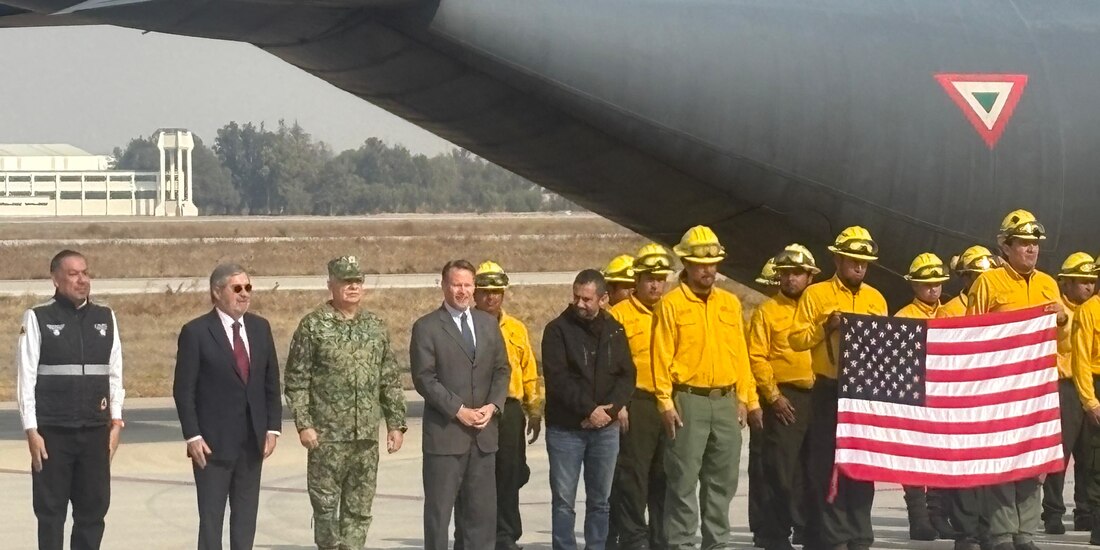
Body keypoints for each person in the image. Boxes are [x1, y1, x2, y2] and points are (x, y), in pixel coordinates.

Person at [284, 256, 408, 550]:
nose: (353, 287)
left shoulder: (375, 327)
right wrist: (304, 424)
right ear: (331, 284)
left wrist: (395, 424)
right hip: (326, 439)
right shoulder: (313, 326)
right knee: (326, 510)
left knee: (359, 510)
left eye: (357, 281)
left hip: (365, 439)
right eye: (345, 281)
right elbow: (296, 380)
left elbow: (389, 378)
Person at [652, 225, 763, 550]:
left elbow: (740, 354)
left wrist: (747, 398)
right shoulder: (671, 305)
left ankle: (716, 544)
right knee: (683, 481)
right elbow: (660, 356)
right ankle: (682, 545)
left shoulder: (729, 303)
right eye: (701, 264)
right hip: (688, 402)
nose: (708, 270)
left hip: (726, 402)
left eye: (713, 263)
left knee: (722, 484)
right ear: (686, 263)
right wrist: (665, 403)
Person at [967, 209, 1067, 550]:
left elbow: (1063, 343)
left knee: (1033, 462)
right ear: (1006, 247)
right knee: (1002, 462)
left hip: (1037, 389)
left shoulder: (1048, 284)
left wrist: (1064, 319)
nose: (1031, 248)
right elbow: (971, 335)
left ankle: (1025, 534)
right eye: (1023, 242)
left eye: (1034, 243)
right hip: (1000, 388)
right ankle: (1001, 535)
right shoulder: (988, 283)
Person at [16, 249, 124, 550]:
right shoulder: (38, 317)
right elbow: (26, 378)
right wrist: (31, 430)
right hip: (53, 434)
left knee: (93, 511)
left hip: (95, 432)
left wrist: (116, 422)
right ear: (55, 279)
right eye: (73, 274)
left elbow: (115, 373)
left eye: (85, 273)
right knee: (51, 514)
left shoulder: (105, 318)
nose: (82, 280)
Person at [790, 225, 888, 550]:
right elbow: (796, 339)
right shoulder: (816, 295)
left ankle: (860, 536)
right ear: (837, 260)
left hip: (863, 394)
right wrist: (824, 327)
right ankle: (833, 537)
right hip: (828, 390)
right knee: (827, 465)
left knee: (861, 465)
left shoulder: (876, 299)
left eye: (864, 262)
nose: (859, 267)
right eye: (853, 260)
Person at [172, 262, 283, 550]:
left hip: (251, 442)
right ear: (217, 292)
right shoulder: (196, 332)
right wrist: (193, 435)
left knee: (246, 520)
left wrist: (272, 428)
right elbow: (184, 390)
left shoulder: (260, 328)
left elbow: (271, 382)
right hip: (212, 446)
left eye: (248, 287)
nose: (245, 294)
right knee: (211, 521)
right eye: (237, 288)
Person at [410, 259, 510, 550]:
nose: (463, 291)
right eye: (456, 285)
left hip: (483, 438)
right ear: (443, 286)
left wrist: (492, 406)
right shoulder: (427, 327)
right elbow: (425, 378)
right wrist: (458, 410)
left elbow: (502, 369)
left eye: (467, 285)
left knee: (481, 518)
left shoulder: (488, 323)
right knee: (439, 516)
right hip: (445, 439)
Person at [542, 268, 636, 550]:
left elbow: (627, 375)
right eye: (576, 297)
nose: (579, 304)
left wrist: (609, 411)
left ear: (603, 299)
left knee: (600, 501)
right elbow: (558, 379)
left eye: (586, 299)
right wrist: (589, 410)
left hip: (605, 431)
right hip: (566, 431)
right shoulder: (557, 331)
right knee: (564, 502)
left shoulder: (615, 329)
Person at [454, 260, 544, 550]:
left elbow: (528, 370)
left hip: (509, 410)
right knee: (471, 478)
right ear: (475, 293)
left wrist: (534, 409)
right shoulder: (461, 326)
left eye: (496, 291)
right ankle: (468, 537)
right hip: (475, 411)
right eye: (485, 291)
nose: (491, 297)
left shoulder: (516, 328)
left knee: (509, 474)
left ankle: (505, 537)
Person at [749, 244, 818, 550]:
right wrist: (773, 396)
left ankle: (808, 530)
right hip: (785, 399)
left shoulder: (818, 310)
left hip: (818, 396)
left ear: (810, 277)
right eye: (786, 273)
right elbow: (757, 357)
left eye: (797, 273)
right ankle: (773, 535)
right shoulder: (767, 312)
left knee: (812, 469)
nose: (791, 278)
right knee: (779, 470)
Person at [609, 243, 675, 550]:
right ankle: (634, 538)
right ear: (636, 280)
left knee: (665, 473)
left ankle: (661, 538)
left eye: (660, 279)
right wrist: (618, 404)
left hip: (668, 402)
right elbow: (610, 366)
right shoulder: (619, 315)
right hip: (636, 402)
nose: (655, 285)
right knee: (633, 474)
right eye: (650, 278)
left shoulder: (671, 309)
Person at [937, 245, 997, 550]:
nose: (983, 282)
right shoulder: (950, 311)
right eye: (977, 276)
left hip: (991, 397)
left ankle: (987, 529)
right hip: (962, 398)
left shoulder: (997, 308)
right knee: (964, 470)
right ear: (965, 278)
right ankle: (966, 533)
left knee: (989, 469)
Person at [894, 252, 952, 541]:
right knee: (914, 457)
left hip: (943, 395)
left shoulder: (951, 315)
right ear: (914, 285)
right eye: (927, 284)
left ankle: (938, 514)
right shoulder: (902, 317)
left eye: (937, 283)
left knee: (941, 456)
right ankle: (918, 518)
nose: (933, 289)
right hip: (914, 394)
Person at [1041, 252, 1097, 534]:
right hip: (1064, 386)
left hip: (1090, 384)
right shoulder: (1055, 308)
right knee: (1060, 453)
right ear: (1067, 282)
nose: (1089, 286)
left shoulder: (1094, 309)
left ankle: (1084, 511)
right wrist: (1060, 320)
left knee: (1089, 453)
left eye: (1092, 281)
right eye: (1082, 281)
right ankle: (1052, 511)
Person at [749, 255, 781, 546]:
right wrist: (756, 403)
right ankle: (761, 526)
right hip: (766, 395)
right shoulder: (763, 315)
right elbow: (753, 360)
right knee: (761, 465)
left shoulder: (799, 313)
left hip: (791, 396)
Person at [1070, 257, 1100, 545]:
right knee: (1096, 461)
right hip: (1096, 384)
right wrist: (1090, 401)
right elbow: (1080, 358)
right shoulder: (1089, 310)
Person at [939, 246, 997, 319]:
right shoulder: (949, 312)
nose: (986, 281)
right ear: (965, 278)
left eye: (990, 276)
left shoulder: (1002, 305)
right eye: (979, 277)